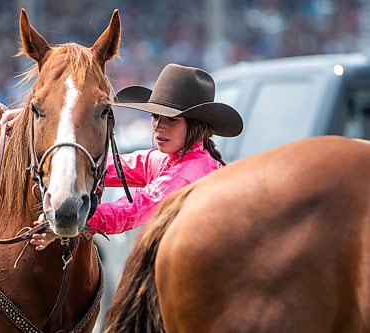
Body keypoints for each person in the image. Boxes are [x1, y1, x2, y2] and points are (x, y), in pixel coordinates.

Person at [30, 63, 243, 249]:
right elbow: (116, 166)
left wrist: (76, 218)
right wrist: (62, 165)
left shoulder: (192, 170)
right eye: (156, 117)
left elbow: (137, 207)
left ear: (195, 126)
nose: (159, 127)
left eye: (171, 120)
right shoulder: (174, 159)